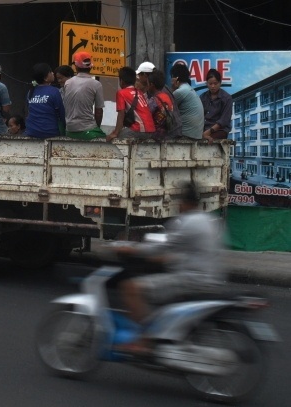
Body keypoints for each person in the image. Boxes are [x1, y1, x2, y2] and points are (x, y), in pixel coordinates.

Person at [112, 181, 225, 353]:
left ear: (185, 203)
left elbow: (162, 246)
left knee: (131, 288)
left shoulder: (187, 222)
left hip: (191, 279)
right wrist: (166, 258)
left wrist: (131, 249)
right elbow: (188, 250)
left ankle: (144, 341)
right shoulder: (208, 220)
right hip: (208, 276)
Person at [63, 52, 105, 140]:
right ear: (91, 66)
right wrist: (97, 128)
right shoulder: (96, 84)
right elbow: (99, 112)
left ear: (76, 66)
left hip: (69, 130)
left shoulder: (67, 83)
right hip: (87, 130)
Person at [107, 66, 155, 141]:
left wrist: (115, 133)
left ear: (121, 81)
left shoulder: (121, 93)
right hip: (151, 129)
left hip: (140, 129)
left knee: (117, 138)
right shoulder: (139, 92)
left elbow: (121, 114)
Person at [25, 63, 65, 138]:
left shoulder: (30, 92)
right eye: (50, 72)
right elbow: (62, 114)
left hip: (31, 132)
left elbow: (28, 111)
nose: (53, 73)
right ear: (45, 78)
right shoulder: (55, 91)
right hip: (50, 132)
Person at [170, 63, 204, 140]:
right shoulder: (189, 89)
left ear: (176, 78)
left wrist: (172, 88)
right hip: (196, 135)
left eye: (172, 77)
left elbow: (168, 111)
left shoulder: (180, 92)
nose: (171, 80)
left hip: (186, 135)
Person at [147, 70, 182, 140]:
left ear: (151, 85)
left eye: (147, 84)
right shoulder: (166, 97)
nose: (147, 86)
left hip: (157, 134)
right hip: (168, 132)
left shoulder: (154, 100)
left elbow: (146, 115)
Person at [200, 68, 232, 143]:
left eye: (215, 83)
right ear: (206, 83)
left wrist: (209, 131)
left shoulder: (227, 98)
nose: (213, 86)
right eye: (210, 84)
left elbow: (224, 120)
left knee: (206, 141)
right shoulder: (202, 97)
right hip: (203, 129)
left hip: (219, 130)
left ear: (220, 83)